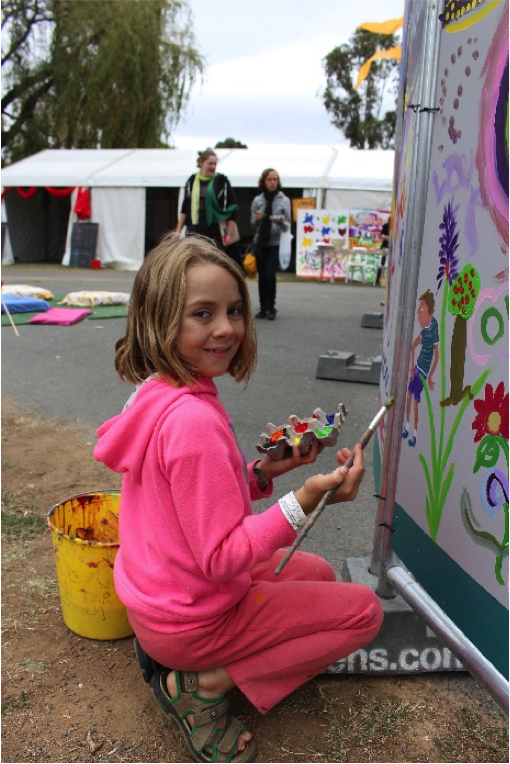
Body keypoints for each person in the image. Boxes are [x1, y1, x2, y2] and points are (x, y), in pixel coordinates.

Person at [94, 234, 383, 764]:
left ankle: (179, 658)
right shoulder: (194, 421)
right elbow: (222, 555)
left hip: (159, 606)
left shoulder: (160, 393)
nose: (226, 328)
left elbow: (183, 500)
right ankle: (203, 687)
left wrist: (261, 473)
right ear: (160, 321)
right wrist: (305, 499)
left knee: (316, 573)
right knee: (363, 613)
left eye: (233, 310)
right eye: (202, 314)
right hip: (191, 621)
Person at [176, 147, 243, 268]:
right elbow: (185, 208)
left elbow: (232, 208)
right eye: (210, 163)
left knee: (215, 265)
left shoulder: (222, 181)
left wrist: (229, 234)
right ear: (201, 163)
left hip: (215, 230)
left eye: (215, 164)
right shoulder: (192, 180)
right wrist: (177, 231)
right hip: (194, 229)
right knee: (193, 264)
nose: (213, 166)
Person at [251, 168, 291, 320]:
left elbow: (288, 224)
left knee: (269, 274)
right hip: (260, 242)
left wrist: (280, 222)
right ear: (264, 181)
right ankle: (263, 307)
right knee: (261, 276)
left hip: (275, 242)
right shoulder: (257, 200)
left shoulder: (284, 200)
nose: (272, 182)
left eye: (275, 179)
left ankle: (271, 306)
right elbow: (253, 224)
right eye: (269, 179)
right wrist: (258, 218)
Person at [402, 288, 439, 448]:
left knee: (415, 401)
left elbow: (436, 355)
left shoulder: (432, 329)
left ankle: (415, 434)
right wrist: (411, 369)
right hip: (418, 368)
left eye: (421, 309)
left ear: (428, 311)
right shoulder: (425, 331)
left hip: (423, 371)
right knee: (409, 398)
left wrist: (430, 376)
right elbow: (412, 346)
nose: (418, 312)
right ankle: (407, 427)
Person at [375, 217, 390, 287]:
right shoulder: (385, 226)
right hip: (385, 246)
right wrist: (384, 236)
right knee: (382, 263)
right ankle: (378, 278)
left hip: (391, 246)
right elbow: (382, 235)